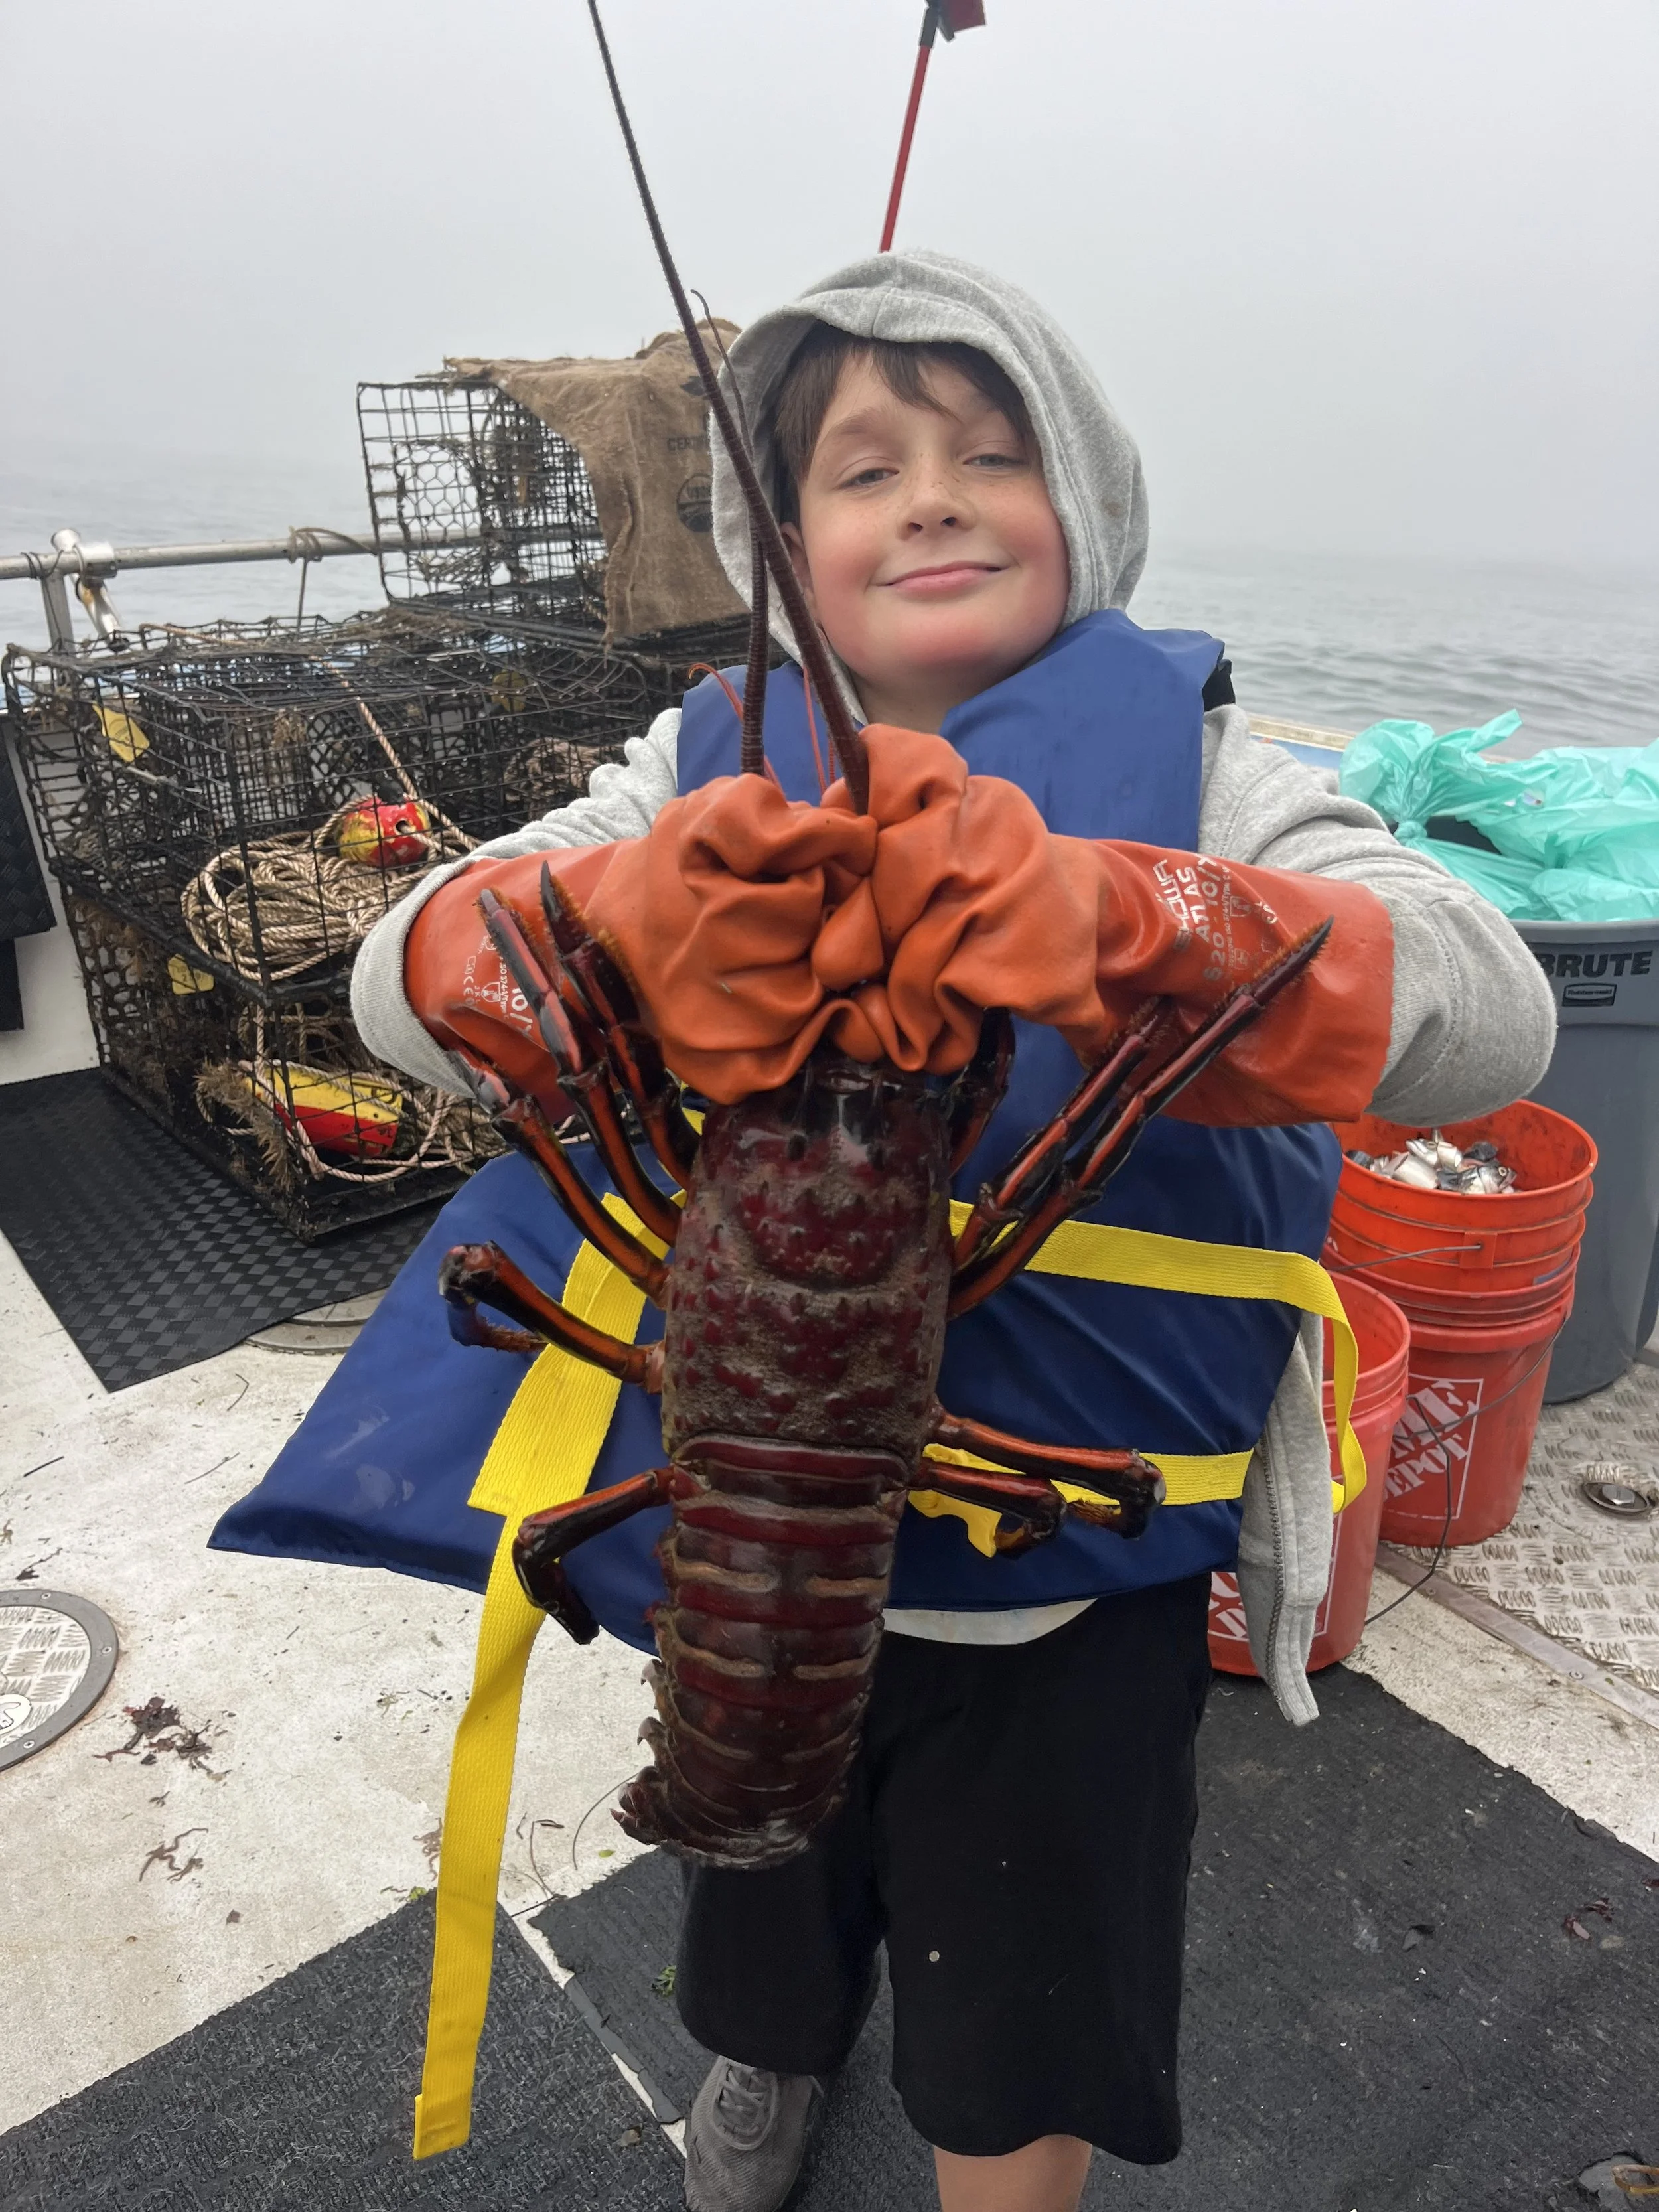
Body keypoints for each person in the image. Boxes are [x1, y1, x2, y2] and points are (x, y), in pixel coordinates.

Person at [352, 251, 1557, 2212]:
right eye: (860, 465)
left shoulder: (1227, 788)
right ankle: (766, 2052)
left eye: (989, 452)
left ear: (1085, 510)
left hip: (1061, 1625)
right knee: (753, 1898)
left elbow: (1485, 1002)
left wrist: (1142, 917)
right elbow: (387, 983)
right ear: (778, 546)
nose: (927, 492)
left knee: (1019, 2028)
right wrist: (599, 921)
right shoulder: (687, 778)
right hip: (735, 1573)